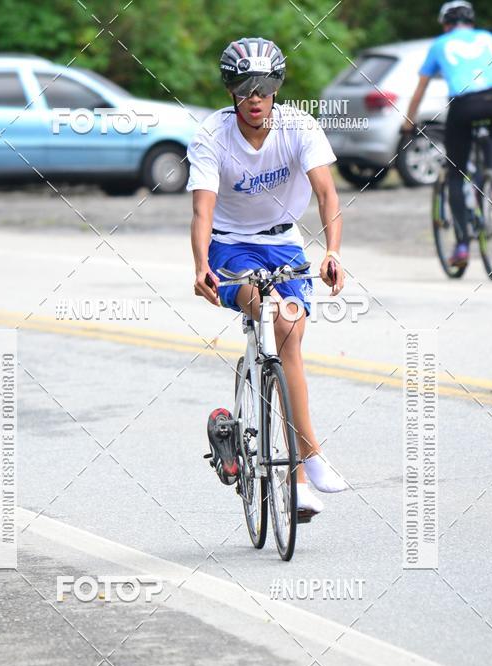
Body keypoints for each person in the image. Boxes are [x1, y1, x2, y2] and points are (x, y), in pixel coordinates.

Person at [187, 36, 347, 514]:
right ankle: (307, 458)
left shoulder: (299, 127)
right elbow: (202, 209)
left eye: (263, 88)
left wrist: (332, 251)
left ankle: (303, 469)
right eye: (243, 88)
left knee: (290, 328)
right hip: (230, 245)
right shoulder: (211, 135)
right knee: (272, 309)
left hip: (283, 242)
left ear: (277, 86)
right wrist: (200, 265)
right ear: (230, 90)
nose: (253, 98)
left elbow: (327, 196)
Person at [404, 1, 492, 269]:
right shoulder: (488, 38)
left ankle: (462, 243)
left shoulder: (440, 44)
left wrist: (408, 121)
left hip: (464, 106)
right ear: (471, 22)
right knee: (489, 154)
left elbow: (420, 88)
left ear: (446, 24)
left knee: (455, 172)